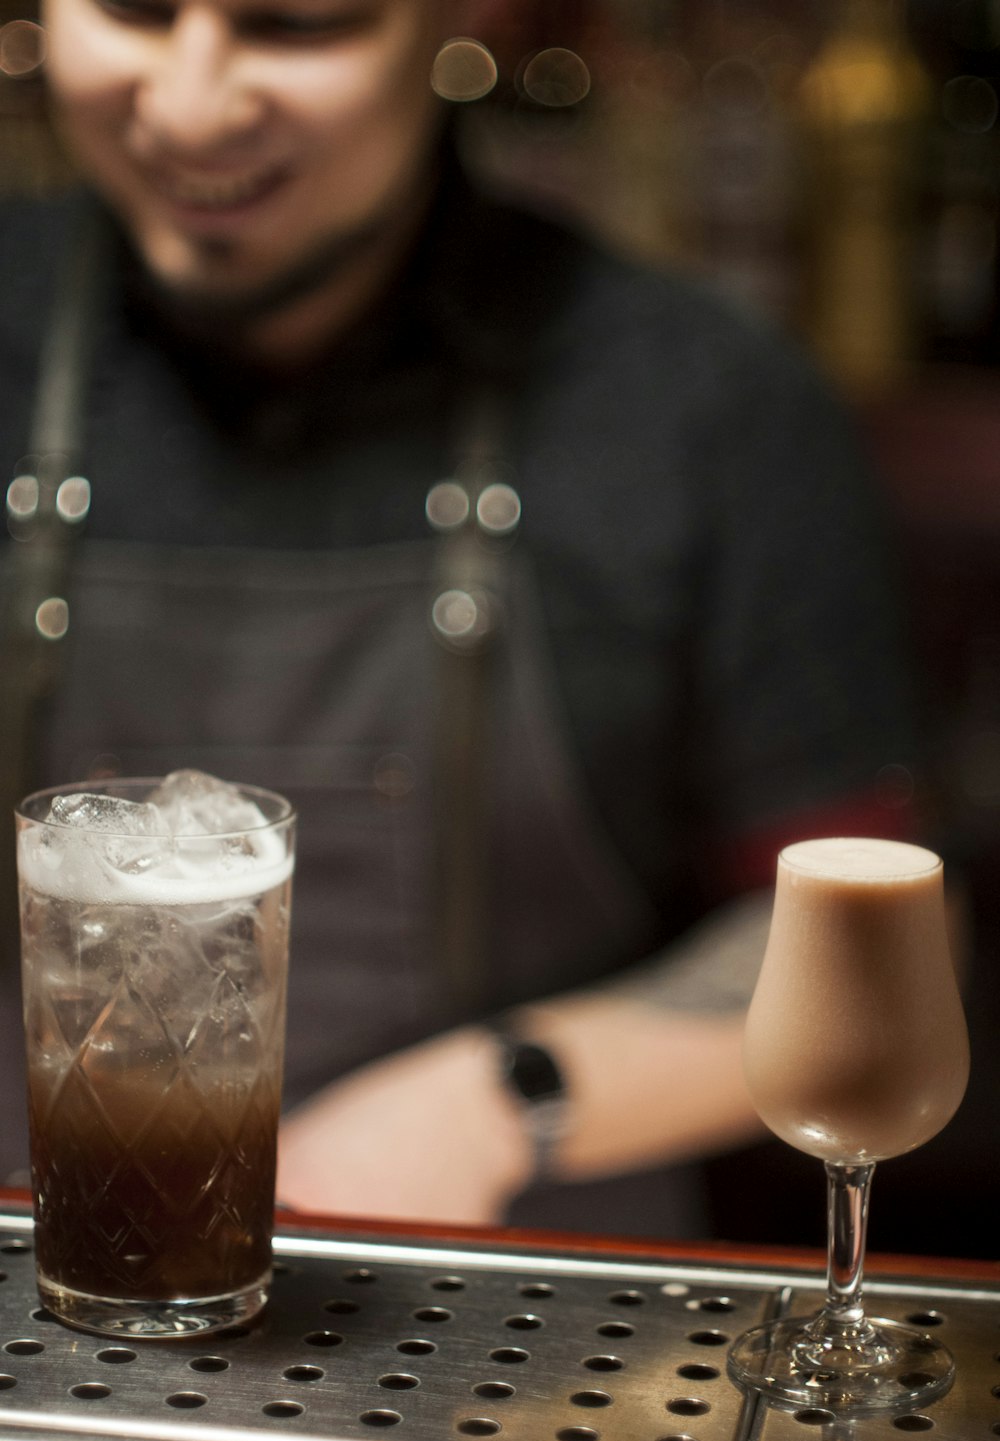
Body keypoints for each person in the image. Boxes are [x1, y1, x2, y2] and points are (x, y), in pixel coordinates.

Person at [0, 0, 917, 1238]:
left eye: (296, 26)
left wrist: (501, 1100)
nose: (190, 103)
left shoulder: (708, 408)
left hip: (532, 1318)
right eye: (134, 11)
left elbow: (878, 958)